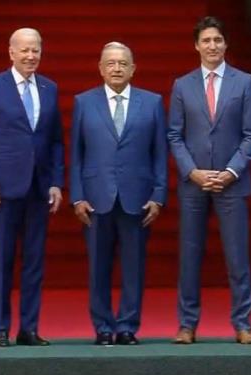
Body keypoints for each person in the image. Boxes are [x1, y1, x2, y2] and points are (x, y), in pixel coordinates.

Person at [167, 16, 251, 345]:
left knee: (237, 257)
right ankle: (187, 325)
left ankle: (243, 324)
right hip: (194, 183)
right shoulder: (182, 85)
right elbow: (174, 135)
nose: (212, 46)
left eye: (217, 40)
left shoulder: (244, 82)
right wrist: (192, 171)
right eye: (206, 40)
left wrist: (231, 172)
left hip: (231, 182)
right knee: (189, 257)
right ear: (196, 45)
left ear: (226, 44)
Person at [0, 28, 64, 347]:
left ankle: (29, 328)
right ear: (11, 52)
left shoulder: (50, 88)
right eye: (24, 50)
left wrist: (56, 183)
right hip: (3, 189)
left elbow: (55, 141)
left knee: (34, 261)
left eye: (35, 50)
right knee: (4, 259)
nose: (30, 56)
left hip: (39, 188)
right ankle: (1, 328)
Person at [70, 42, 167, 346]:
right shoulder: (84, 102)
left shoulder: (151, 102)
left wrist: (158, 195)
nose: (116, 68)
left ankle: (127, 326)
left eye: (123, 63)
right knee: (98, 267)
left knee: (134, 267)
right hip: (95, 198)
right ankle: (102, 327)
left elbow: (159, 154)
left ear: (133, 69)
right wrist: (77, 196)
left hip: (137, 197)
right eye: (110, 63)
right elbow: (76, 154)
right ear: (100, 68)